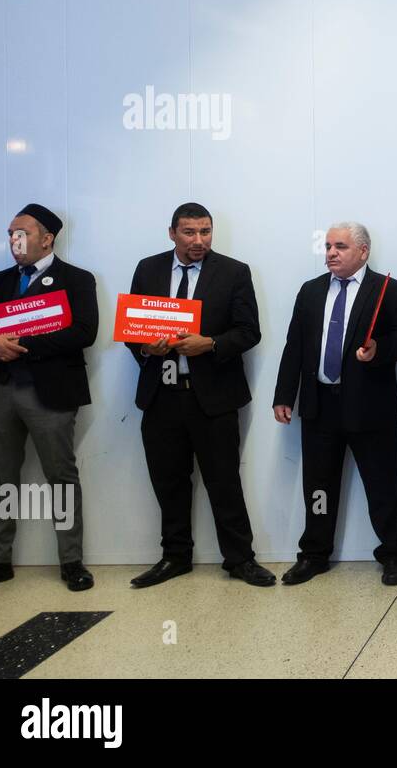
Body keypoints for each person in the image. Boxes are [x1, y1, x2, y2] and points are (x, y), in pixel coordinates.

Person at [126, 203, 274, 588]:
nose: (198, 241)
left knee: (223, 481)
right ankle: (175, 557)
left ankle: (240, 559)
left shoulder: (234, 272)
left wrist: (209, 343)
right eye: (189, 232)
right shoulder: (148, 269)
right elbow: (132, 330)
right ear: (172, 232)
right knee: (168, 481)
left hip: (213, 398)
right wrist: (146, 348)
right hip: (162, 395)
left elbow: (248, 332)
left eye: (205, 232)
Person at [274, 222, 397, 587]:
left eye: (340, 246)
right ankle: (315, 554)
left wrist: (378, 349)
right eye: (328, 246)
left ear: (363, 252)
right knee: (319, 487)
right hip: (320, 405)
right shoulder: (310, 292)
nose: (331, 253)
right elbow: (294, 346)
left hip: (371, 407)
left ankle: (391, 554)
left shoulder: (390, 290)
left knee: (381, 485)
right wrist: (284, 395)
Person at [0, 204, 97, 594]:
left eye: (22, 233)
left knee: (60, 477)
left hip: (50, 394)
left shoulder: (76, 279)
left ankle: (71, 562)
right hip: (0, 392)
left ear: (47, 238)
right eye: (10, 233)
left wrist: (21, 343)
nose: (14, 240)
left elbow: (83, 333)